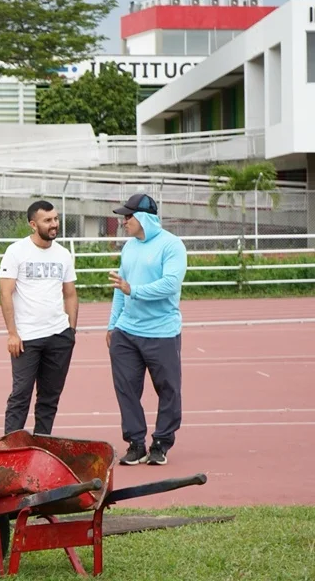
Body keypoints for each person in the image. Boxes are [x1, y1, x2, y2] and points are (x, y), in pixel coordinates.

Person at [106, 193, 187, 466]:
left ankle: (162, 442)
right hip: (126, 332)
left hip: (162, 331)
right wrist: (112, 324)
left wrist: (134, 290)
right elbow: (120, 287)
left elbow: (170, 284)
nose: (123, 221)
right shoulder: (129, 247)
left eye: (128, 216)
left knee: (168, 389)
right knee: (126, 388)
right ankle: (136, 443)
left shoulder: (171, 246)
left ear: (144, 218)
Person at [0, 200, 78, 436]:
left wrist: (70, 331)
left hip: (59, 336)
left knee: (49, 398)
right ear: (33, 224)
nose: (54, 224)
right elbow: (5, 293)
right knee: (20, 395)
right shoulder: (16, 251)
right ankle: (11, 447)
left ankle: (41, 445)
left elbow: (70, 294)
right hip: (26, 338)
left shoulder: (63, 254)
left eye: (55, 219)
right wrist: (12, 333)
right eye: (48, 220)